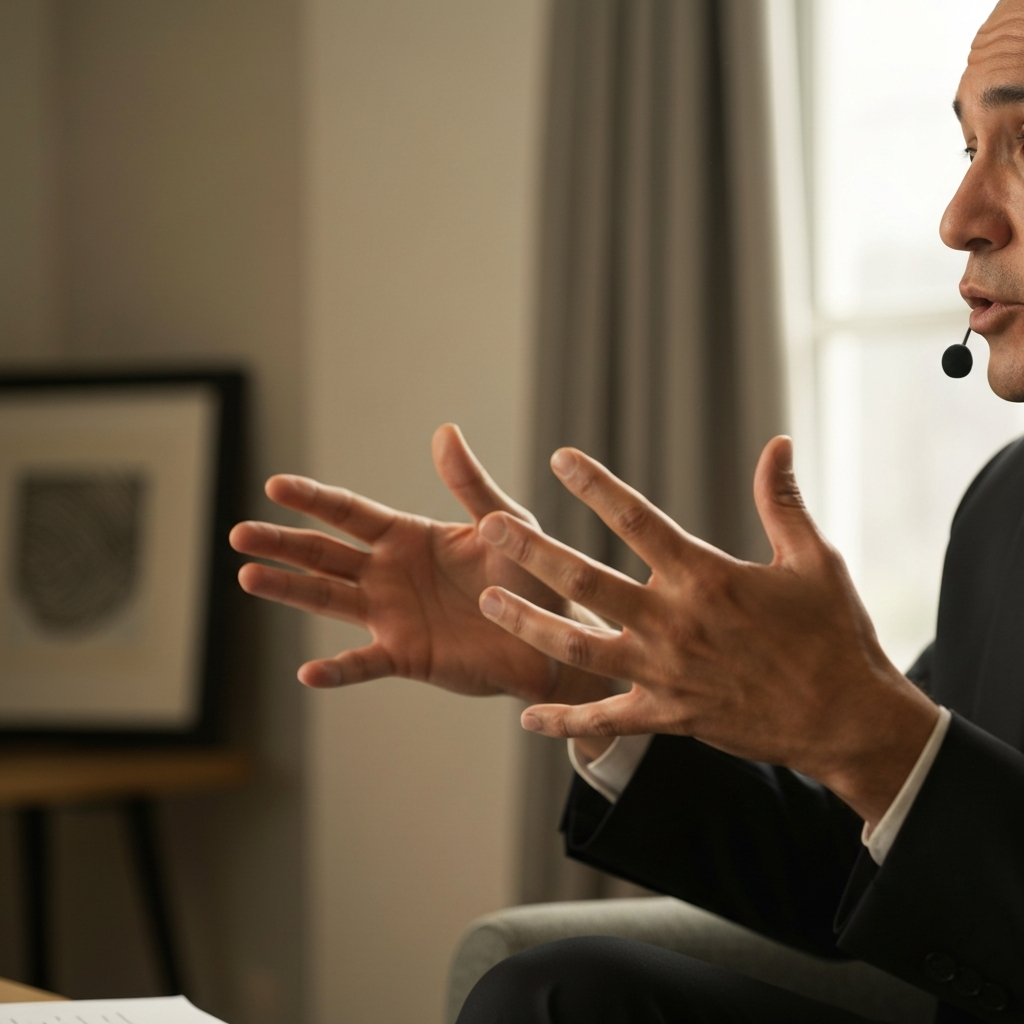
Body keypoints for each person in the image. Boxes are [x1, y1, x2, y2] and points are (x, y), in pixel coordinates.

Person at [229, 2, 1024, 1020]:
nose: (958, 215)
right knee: (553, 996)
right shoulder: (1003, 510)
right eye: (967, 146)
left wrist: (871, 733)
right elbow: (881, 867)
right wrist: (593, 665)